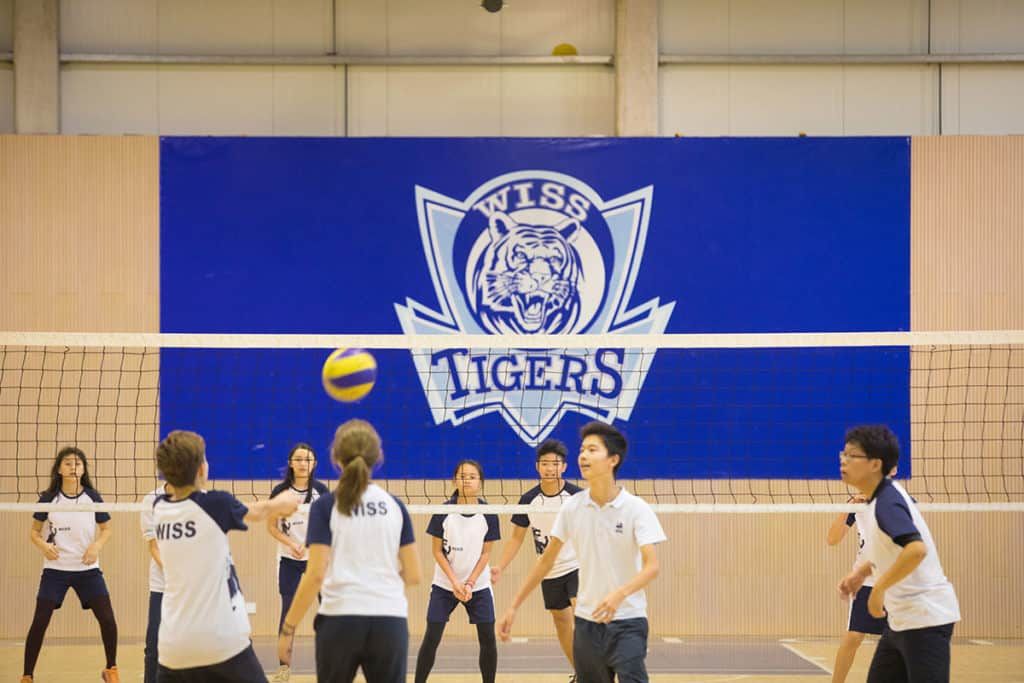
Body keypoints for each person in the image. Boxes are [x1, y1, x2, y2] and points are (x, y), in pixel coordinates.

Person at [498, 422, 667, 683]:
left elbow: (652, 566)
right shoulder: (573, 508)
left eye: (592, 449)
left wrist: (619, 595)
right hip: (587, 625)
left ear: (613, 459)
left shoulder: (636, 508)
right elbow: (545, 561)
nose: (584, 455)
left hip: (627, 619)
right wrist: (513, 606)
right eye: (582, 449)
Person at [277, 419, 420, 683]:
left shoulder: (326, 505)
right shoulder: (395, 506)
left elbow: (315, 575)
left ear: (335, 458)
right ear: (378, 457)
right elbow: (414, 575)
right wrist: (380, 584)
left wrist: (288, 628)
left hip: (340, 620)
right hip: (389, 621)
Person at [153, 430, 298, 682]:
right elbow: (258, 511)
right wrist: (282, 502)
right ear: (201, 469)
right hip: (222, 642)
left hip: (172, 648)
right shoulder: (215, 504)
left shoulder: (159, 508)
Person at [836, 425, 960, 683]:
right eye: (843, 454)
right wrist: (862, 571)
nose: (844, 460)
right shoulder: (875, 500)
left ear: (875, 464)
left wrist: (878, 588)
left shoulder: (887, 502)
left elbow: (916, 550)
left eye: (852, 456)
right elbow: (889, 549)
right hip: (902, 620)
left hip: (926, 618)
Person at [23, 446, 119, 683]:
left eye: (77, 463)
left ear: (83, 469)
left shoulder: (92, 497)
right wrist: (43, 546)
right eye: (67, 463)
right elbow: (34, 533)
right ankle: (27, 675)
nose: (73, 467)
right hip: (55, 570)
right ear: (59, 469)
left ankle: (111, 669)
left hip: (88, 570)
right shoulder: (48, 498)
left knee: (107, 618)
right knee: (40, 621)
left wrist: (96, 546)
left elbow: (106, 529)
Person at [492, 438, 582, 677]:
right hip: (548, 571)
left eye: (555, 463)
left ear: (564, 466)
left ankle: (598, 672)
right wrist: (500, 566)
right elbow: (516, 539)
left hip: (577, 567)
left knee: (583, 621)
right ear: (537, 467)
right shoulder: (528, 500)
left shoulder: (577, 496)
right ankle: (580, 672)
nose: (550, 468)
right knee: (561, 623)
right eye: (545, 463)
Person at [414, 460, 500, 683]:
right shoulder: (444, 511)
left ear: (480, 482)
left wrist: (470, 583)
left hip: (478, 585)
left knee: (488, 639)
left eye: (472, 476)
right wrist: (454, 582)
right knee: (432, 636)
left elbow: (486, 554)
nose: (467, 480)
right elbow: (436, 551)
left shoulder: (489, 513)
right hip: (445, 583)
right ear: (454, 480)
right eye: (462, 476)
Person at [267, 442, 329, 683]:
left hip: (317, 559)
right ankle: (284, 668)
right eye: (299, 459)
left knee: (327, 613)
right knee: (288, 613)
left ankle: (330, 665)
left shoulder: (322, 492)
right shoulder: (280, 492)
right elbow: (271, 526)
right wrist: (291, 544)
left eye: (308, 459)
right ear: (291, 463)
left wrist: (314, 543)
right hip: (289, 559)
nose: (304, 463)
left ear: (314, 464)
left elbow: (330, 525)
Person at [140, 478, 174, 683]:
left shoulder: (201, 499)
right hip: (162, 585)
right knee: (154, 646)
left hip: (193, 587)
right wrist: (173, 572)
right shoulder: (151, 499)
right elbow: (154, 546)